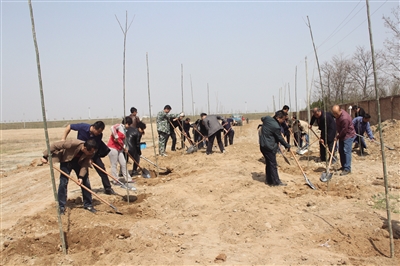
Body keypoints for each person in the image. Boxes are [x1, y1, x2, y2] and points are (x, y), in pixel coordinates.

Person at [41, 139, 98, 214]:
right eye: (90, 152)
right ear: (84, 148)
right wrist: (45, 156)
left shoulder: (91, 152)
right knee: (63, 182)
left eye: (92, 152)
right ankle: (61, 206)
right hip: (66, 161)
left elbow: (85, 164)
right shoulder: (72, 143)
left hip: (79, 163)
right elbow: (55, 145)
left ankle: (88, 204)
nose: (91, 153)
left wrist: (80, 177)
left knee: (85, 182)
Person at [61, 121, 115, 195]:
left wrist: (91, 157)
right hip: (81, 153)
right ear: (94, 128)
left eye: (100, 132)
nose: (99, 133)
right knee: (84, 172)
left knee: (101, 168)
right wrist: (63, 139)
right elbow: (69, 126)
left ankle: (108, 188)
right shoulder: (83, 127)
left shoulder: (99, 135)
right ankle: (86, 192)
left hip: (92, 153)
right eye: (98, 131)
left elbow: (96, 148)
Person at [259, 111, 291, 186]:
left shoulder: (267, 118)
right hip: (269, 147)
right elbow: (280, 138)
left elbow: (262, 118)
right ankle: (276, 182)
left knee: (268, 163)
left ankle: (269, 180)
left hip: (262, 146)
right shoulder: (276, 126)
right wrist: (287, 145)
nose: (283, 121)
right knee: (273, 164)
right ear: (278, 118)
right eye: (282, 119)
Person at [107, 116, 135, 185]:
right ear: (127, 123)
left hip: (119, 149)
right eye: (129, 124)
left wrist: (125, 147)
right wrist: (116, 136)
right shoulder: (119, 126)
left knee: (123, 163)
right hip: (113, 148)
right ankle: (115, 180)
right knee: (114, 164)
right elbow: (112, 128)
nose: (129, 126)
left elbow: (122, 141)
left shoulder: (125, 130)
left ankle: (128, 179)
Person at [332, 105, 356, 176]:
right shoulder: (338, 116)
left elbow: (344, 130)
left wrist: (338, 137)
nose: (335, 115)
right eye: (334, 113)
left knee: (346, 151)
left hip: (348, 135)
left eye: (336, 113)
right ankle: (343, 166)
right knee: (341, 151)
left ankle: (347, 168)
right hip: (342, 135)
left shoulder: (344, 118)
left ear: (340, 110)